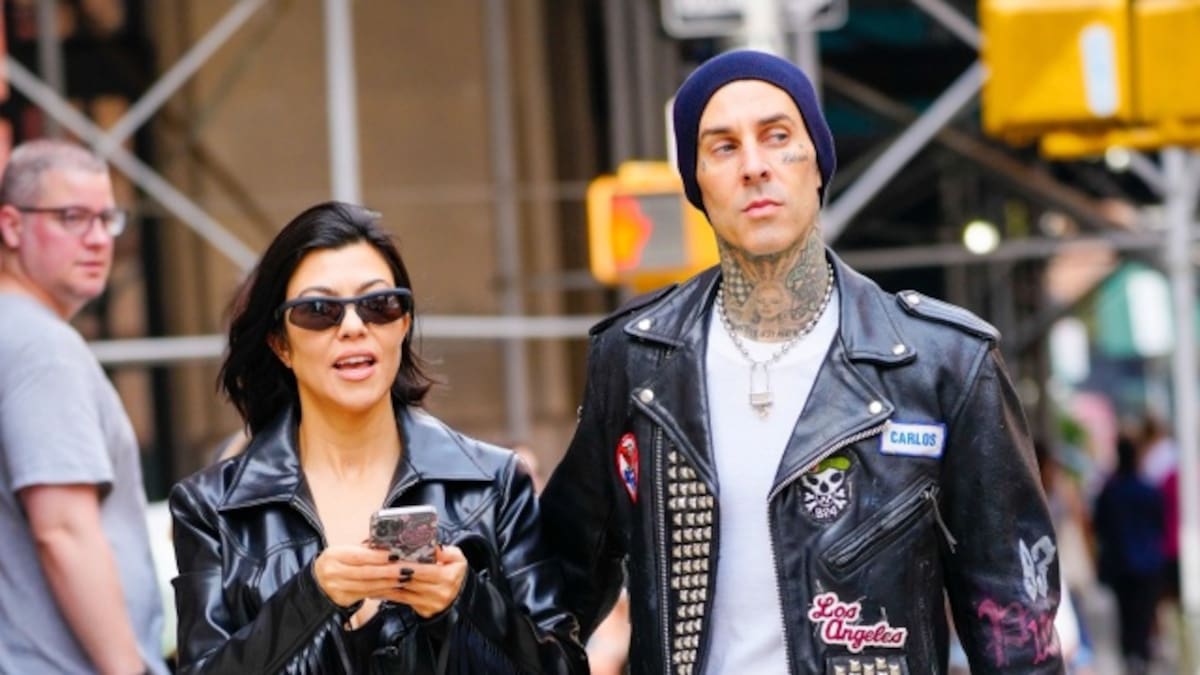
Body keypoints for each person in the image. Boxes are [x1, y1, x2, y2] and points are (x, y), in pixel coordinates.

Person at [540, 50, 1064, 674]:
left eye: (777, 136)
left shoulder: (942, 363)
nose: (754, 166)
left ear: (818, 162)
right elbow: (554, 591)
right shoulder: (636, 359)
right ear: (697, 183)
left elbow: (1015, 626)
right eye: (723, 147)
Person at [169, 201, 587, 674]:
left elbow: (565, 667)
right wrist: (312, 598)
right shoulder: (213, 507)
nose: (353, 327)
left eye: (379, 305)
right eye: (318, 310)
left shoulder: (495, 484)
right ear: (280, 342)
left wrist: (464, 600)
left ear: (404, 324)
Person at [0, 139, 168, 674]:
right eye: (71, 217)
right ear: (11, 225)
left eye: (107, 219)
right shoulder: (42, 347)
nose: (97, 239)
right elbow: (63, 531)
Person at [1093, 434, 1165, 675]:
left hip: (1122, 565)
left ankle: (1132, 658)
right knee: (1143, 616)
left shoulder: (1111, 492)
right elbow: (1159, 523)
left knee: (1126, 617)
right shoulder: (1148, 490)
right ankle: (1140, 658)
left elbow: (1100, 526)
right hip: (1147, 565)